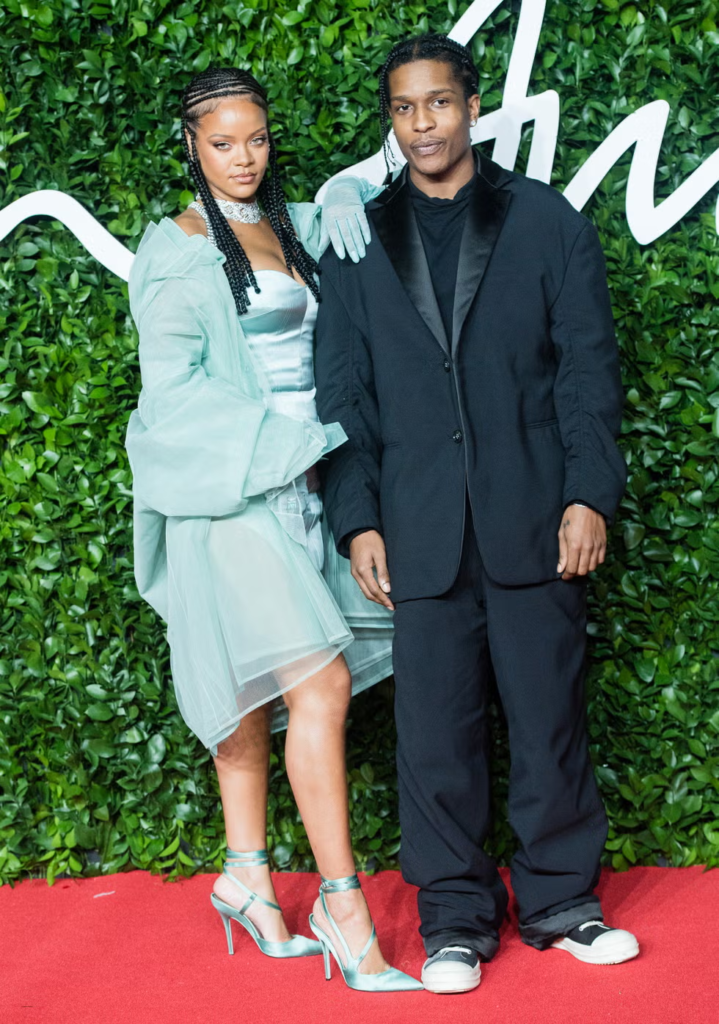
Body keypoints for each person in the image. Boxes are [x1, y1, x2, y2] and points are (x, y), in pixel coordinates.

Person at [315, 34, 640, 995]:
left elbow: (587, 371)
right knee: (433, 737)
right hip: (416, 528)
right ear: (391, 120)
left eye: (439, 103)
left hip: (534, 514)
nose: (422, 124)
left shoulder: (545, 220)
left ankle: (560, 902)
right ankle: (454, 921)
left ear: (471, 106)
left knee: (548, 720)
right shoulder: (357, 237)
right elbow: (343, 392)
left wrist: (588, 494)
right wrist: (356, 519)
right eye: (404, 108)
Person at [125, 66, 422, 993]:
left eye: (255, 139)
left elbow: (397, 174)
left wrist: (347, 189)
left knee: (253, 691)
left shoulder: (294, 224)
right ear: (190, 146)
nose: (243, 158)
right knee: (319, 683)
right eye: (222, 143)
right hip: (234, 492)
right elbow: (171, 395)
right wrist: (281, 443)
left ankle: (247, 877)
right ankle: (342, 909)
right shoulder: (176, 251)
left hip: (312, 482)